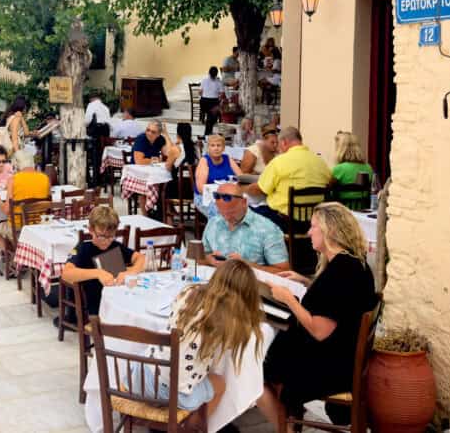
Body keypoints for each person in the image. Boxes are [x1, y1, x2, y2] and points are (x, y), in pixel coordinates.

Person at [257, 203, 377, 429]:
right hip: (345, 357)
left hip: (331, 367)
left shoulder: (340, 273)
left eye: (314, 227)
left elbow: (319, 331)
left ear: (330, 231)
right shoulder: (352, 264)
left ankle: (288, 428)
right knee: (271, 358)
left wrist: (288, 299)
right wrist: (305, 282)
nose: (309, 232)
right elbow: (336, 303)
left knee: (254, 377)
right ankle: (288, 418)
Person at [140, 259, 266, 416]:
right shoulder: (229, 321)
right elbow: (230, 345)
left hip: (142, 375)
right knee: (220, 384)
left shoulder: (189, 292)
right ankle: (200, 427)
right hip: (172, 391)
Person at [60, 205, 145, 317]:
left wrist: (130, 272)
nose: (106, 241)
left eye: (110, 237)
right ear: (90, 229)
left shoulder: (116, 246)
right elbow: (66, 274)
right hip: (87, 312)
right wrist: (98, 273)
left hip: (112, 307)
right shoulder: (83, 249)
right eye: (101, 236)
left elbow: (141, 258)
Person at [248, 127, 332, 232]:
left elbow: (259, 189)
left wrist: (245, 189)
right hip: (313, 221)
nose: (278, 148)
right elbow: (331, 182)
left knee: (247, 211)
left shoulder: (279, 162)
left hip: (284, 221)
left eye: (278, 144)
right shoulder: (320, 162)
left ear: (284, 142)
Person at [201, 183, 288, 270]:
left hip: (251, 282)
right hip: (217, 280)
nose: (227, 218)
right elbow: (197, 259)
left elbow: (283, 271)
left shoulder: (267, 228)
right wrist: (208, 260)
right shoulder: (214, 222)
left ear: (244, 202)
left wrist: (247, 266)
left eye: (231, 212)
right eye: (222, 212)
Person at [194, 134, 241, 199]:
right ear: (208, 148)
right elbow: (201, 189)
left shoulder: (228, 158)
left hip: (228, 195)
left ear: (223, 148)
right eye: (212, 145)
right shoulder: (204, 161)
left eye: (219, 145)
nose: (216, 148)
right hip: (206, 197)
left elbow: (241, 178)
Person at [6, 96, 33, 170]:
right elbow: (14, 138)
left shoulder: (17, 117)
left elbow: (26, 133)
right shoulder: (16, 119)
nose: (26, 110)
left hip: (18, 147)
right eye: (26, 107)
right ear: (23, 107)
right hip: (16, 149)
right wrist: (18, 155)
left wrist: (22, 119)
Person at [200, 66, 224, 135]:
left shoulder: (204, 80)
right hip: (213, 103)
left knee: (210, 116)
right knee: (213, 114)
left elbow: (200, 92)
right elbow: (222, 95)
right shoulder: (219, 82)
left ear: (209, 73)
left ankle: (207, 133)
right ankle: (208, 133)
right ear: (217, 74)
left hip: (203, 103)